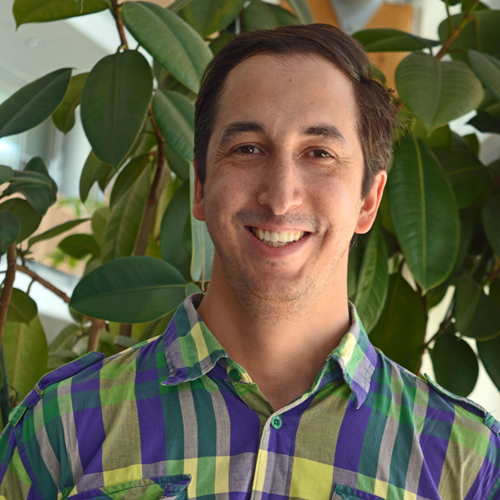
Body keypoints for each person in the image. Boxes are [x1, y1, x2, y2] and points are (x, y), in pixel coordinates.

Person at [1, 23, 499, 500]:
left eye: (319, 153)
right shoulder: (63, 423)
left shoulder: (465, 461)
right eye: (247, 148)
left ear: (368, 200)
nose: (280, 197)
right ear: (199, 186)